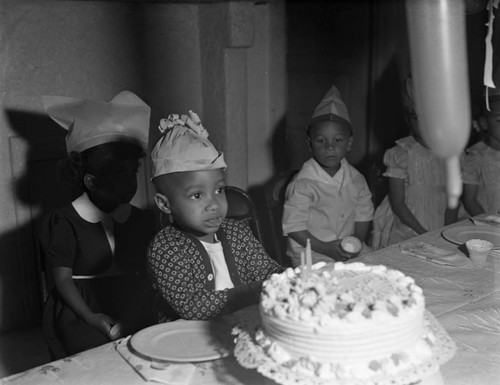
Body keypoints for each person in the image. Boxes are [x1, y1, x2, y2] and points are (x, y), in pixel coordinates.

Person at [40, 91, 156, 358]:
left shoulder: (140, 219)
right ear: (91, 182)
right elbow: (62, 279)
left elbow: (147, 274)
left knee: (150, 346)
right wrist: (90, 317)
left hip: (130, 301)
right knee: (95, 356)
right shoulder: (64, 221)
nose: (129, 182)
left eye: (132, 172)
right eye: (118, 174)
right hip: (81, 307)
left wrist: (134, 312)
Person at [147, 111, 283, 322]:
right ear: (165, 204)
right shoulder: (166, 247)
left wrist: (287, 278)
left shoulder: (237, 232)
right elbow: (191, 306)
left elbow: (265, 270)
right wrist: (253, 292)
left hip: (241, 324)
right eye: (197, 195)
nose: (213, 204)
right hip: (186, 337)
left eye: (219, 190)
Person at [282, 85, 374, 266]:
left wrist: (356, 240)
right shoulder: (303, 184)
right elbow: (294, 227)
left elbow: (363, 214)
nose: (329, 147)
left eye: (338, 140)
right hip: (312, 254)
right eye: (321, 140)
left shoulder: (357, 180)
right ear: (310, 144)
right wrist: (326, 248)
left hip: (346, 251)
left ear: (349, 143)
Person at [372, 78, 459, 248]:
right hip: (409, 223)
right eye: (416, 117)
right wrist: (422, 232)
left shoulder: (451, 154)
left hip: (441, 221)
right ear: (408, 120)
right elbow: (398, 203)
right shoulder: (401, 153)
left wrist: (446, 230)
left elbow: (452, 200)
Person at [462, 89, 500, 216]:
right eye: (499, 120)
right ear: (484, 123)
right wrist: (489, 222)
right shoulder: (476, 156)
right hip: (489, 224)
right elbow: (470, 200)